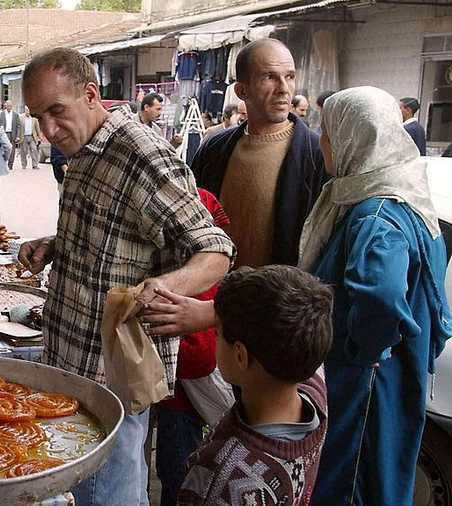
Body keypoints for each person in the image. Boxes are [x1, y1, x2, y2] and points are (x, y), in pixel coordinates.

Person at [18, 47, 235, 506]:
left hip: (113, 376)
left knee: (108, 492)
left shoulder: (140, 154)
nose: (47, 131)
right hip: (70, 362)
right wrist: (55, 245)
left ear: (92, 94)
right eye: (38, 117)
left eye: (56, 112)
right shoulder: (82, 151)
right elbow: (118, 233)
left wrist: (167, 287)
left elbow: (215, 249)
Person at [300, 87, 452, 505]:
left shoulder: (377, 215)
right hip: (388, 374)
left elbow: (382, 297)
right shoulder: (405, 197)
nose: (322, 143)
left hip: (365, 382)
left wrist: (358, 350)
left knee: (353, 483)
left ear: (354, 137)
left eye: (327, 133)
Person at [176, 265, 333, 506]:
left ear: (241, 355)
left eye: (217, 334)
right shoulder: (314, 392)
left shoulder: (224, 481)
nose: (215, 336)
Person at [191, 39, 328, 268]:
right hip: (214, 294)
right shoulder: (213, 150)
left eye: (290, 76)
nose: (284, 88)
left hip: (281, 298)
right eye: (269, 77)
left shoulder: (317, 155)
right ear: (242, 90)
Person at [151, 188, 230, 506]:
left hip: (178, 399)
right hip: (177, 393)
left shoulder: (179, 284)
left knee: (177, 467)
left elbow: (198, 358)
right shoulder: (203, 206)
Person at [0, 100, 21, 170]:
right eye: (8, 106)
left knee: (12, 150)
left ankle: (10, 165)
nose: (9, 107)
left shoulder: (15, 115)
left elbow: (18, 126)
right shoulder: (1, 114)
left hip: (13, 134)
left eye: (10, 106)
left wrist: (18, 136)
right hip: (4, 134)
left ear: (12, 106)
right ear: (5, 106)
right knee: (3, 149)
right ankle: (3, 164)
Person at [19, 105, 41, 170]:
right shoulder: (21, 118)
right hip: (24, 137)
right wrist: (18, 136)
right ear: (25, 110)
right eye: (26, 110)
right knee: (23, 152)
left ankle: (35, 165)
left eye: (29, 110)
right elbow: (19, 128)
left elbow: (37, 128)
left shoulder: (34, 118)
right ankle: (24, 165)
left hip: (32, 137)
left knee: (34, 149)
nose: (28, 112)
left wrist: (39, 137)